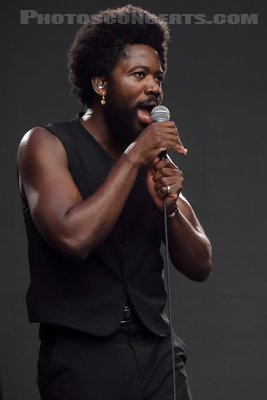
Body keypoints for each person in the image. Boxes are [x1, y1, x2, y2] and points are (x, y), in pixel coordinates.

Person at [17, 6, 212, 400]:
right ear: (101, 84)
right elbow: (73, 238)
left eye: (158, 77)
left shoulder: (151, 158)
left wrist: (170, 208)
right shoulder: (45, 144)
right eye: (139, 75)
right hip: (82, 355)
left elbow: (200, 264)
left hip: (157, 351)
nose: (154, 87)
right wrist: (135, 156)